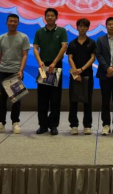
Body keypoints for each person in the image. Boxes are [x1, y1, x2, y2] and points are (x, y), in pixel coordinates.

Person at [0, 14, 30, 134]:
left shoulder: (23, 37)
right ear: (6, 23)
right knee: (2, 99)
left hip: (16, 72)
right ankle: (1, 123)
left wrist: (21, 70)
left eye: (15, 21)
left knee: (16, 99)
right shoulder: (1, 38)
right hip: (3, 71)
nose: (12, 23)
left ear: (18, 23)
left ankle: (15, 123)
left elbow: (25, 55)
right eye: (10, 21)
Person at [33, 8, 68, 136]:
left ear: (56, 17)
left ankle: (53, 125)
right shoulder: (39, 32)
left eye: (52, 15)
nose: (50, 17)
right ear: (45, 17)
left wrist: (54, 62)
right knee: (42, 97)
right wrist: (39, 61)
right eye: (48, 15)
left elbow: (64, 47)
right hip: (43, 67)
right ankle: (42, 125)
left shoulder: (61, 31)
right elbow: (35, 48)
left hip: (56, 66)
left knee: (55, 98)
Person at [67, 18, 96, 135]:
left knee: (87, 101)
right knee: (73, 101)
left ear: (88, 28)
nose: (82, 28)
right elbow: (70, 58)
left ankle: (87, 125)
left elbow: (93, 58)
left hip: (87, 75)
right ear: (77, 27)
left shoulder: (92, 43)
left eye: (85, 26)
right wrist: (75, 71)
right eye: (80, 26)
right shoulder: (72, 43)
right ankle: (74, 125)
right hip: (74, 75)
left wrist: (82, 69)